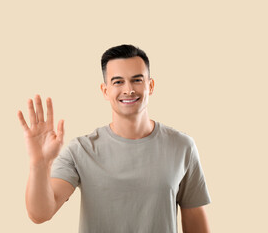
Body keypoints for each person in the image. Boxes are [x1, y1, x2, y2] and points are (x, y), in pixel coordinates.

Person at [17, 44, 211, 233]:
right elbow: (40, 214)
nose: (128, 90)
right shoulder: (81, 150)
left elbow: (196, 224)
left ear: (150, 85)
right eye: (118, 82)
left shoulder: (182, 146)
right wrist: (39, 164)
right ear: (105, 90)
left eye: (137, 80)